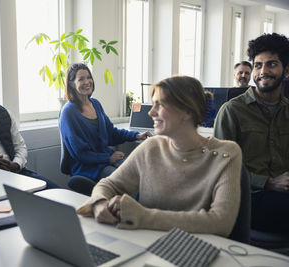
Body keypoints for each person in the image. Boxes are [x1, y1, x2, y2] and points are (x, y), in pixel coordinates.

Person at [77, 76, 242, 237]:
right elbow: (108, 185)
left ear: (186, 112)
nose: (151, 112)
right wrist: (99, 203)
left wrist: (143, 216)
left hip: (198, 250)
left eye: (159, 105)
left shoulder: (227, 154)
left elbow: (221, 222)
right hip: (148, 243)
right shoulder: (151, 147)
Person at [214, 33, 289, 233]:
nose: (263, 71)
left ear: (286, 71)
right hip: (248, 196)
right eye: (258, 65)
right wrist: (268, 182)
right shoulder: (232, 110)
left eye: (272, 64)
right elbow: (219, 166)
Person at [59, 63, 151, 182]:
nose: (87, 82)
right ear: (72, 84)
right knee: (125, 180)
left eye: (88, 77)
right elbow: (79, 153)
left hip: (105, 159)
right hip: (87, 167)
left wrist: (136, 135)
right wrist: (108, 158)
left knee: (139, 172)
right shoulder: (68, 111)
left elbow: (111, 133)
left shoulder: (95, 104)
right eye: (81, 79)